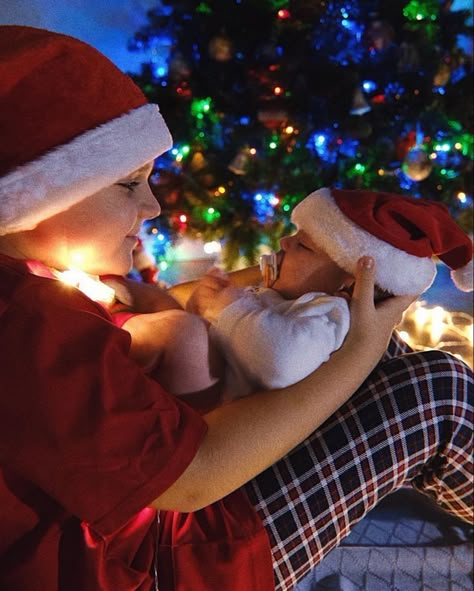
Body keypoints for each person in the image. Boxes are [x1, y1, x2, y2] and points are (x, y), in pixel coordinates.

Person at [0, 25, 472, 591]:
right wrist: (361, 347)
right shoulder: (28, 327)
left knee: (379, 349)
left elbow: (163, 305)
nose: (151, 206)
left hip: (167, 535)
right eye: (129, 184)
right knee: (435, 392)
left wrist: (314, 276)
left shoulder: (37, 284)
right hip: (169, 561)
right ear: (37, 193)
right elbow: (194, 479)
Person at [183, 186, 474, 401]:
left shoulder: (328, 312)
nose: (284, 242)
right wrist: (205, 305)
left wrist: (225, 309)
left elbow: (278, 362)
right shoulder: (286, 295)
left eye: (303, 246)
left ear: (348, 286)